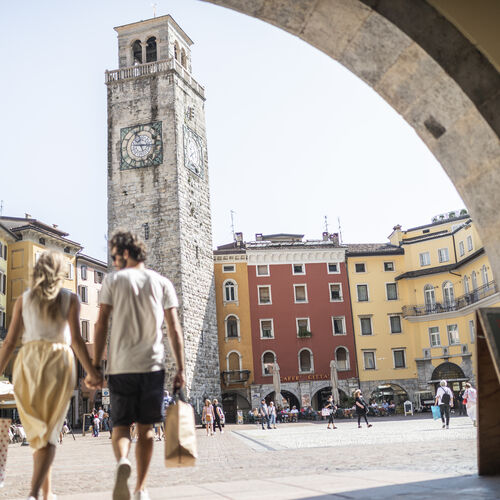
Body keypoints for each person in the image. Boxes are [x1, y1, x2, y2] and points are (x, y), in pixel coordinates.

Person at [86, 231, 185, 500]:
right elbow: (174, 329)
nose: (115, 260)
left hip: (119, 366)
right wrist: (181, 369)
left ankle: (122, 461)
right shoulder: (162, 283)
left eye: (116, 256)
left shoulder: (113, 281)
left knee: (120, 426)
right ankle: (141, 487)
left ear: (125, 253)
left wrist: (95, 365)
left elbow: (101, 323)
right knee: (147, 428)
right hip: (151, 365)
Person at [0, 250, 101, 500]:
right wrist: (91, 371)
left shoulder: (24, 299)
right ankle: (35, 493)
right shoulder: (71, 299)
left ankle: (46, 492)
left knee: (38, 434)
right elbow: (77, 340)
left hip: (28, 363)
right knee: (50, 434)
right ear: (61, 272)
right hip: (58, 362)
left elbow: (10, 342)